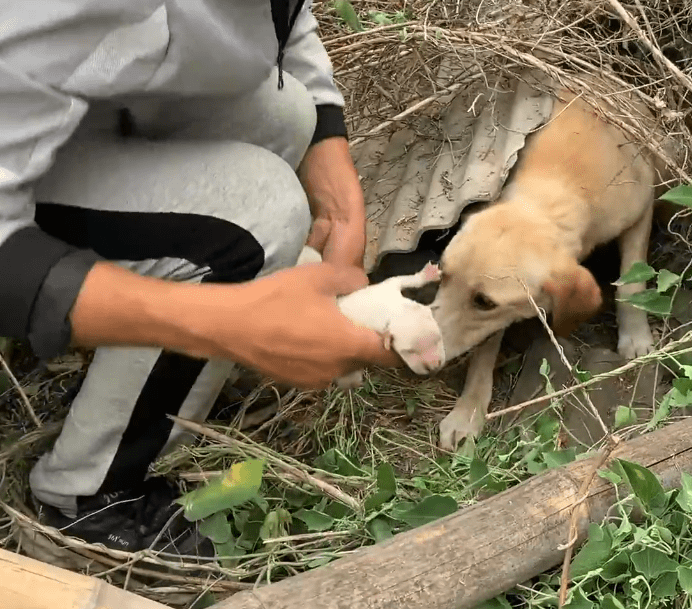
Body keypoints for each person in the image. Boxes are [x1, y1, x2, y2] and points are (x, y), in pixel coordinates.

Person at [0, 0, 401, 559]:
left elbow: (281, 21)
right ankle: (87, 500)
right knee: (253, 222)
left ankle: (140, 359)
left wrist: (334, 180)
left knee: (282, 112)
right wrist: (224, 324)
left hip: (63, 99)